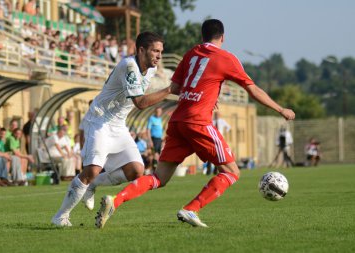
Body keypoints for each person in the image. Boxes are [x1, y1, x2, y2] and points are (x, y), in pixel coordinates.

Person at [95, 19, 295, 229]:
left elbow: (176, 86)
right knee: (231, 171)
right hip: (198, 121)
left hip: (178, 120)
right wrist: (280, 109)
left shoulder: (191, 54)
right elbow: (252, 90)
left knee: (159, 178)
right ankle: (191, 209)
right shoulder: (227, 58)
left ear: (202, 36)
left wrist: (205, 94)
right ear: (223, 37)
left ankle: (115, 200)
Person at [51, 31, 174, 226]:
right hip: (99, 120)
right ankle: (61, 216)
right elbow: (141, 103)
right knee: (91, 170)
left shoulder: (150, 69)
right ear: (141, 50)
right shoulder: (129, 65)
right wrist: (169, 90)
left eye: (161, 51)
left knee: (136, 170)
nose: (159, 56)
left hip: (118, 125)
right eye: (155, 51)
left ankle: (94, 185)